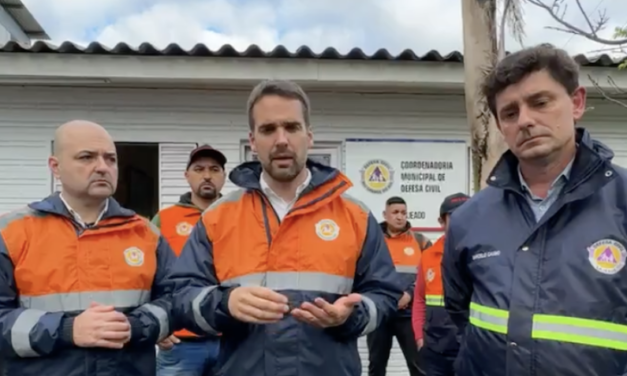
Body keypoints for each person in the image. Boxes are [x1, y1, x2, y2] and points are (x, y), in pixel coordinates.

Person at [167, 79, 404, 376]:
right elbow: (181, 297)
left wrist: (350, 316)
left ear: (309, 136)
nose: (281, 140)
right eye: (268, 129)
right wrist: (225, 303)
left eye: (291, 127)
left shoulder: (354, 215)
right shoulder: (219, 216)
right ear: (252, 140)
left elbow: (384, 294)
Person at [442, 43, 627, 376]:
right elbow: (460, 313)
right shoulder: (469, 219)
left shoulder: (622, 201)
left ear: (577, 102)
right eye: (510, 113)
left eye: (540, 103)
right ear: (501, 127)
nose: (525, 120)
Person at [0, 120, 175, 376]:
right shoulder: (11, 232)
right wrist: (66, 330)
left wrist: (135, 327)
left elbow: (175, 302)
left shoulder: (146, 233)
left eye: (110, 159)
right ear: (55, 167)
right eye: (87, 157)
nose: (102, 167)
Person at [153, 145, 227, 376]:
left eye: (214, 169)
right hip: (179, 343)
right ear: (187, 176)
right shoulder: (164, 219)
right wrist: (157, 325)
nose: (207, 175)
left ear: (223, 176)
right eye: (199, 169)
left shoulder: (238, 216)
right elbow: (147, 275)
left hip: (231, 340)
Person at [367, 196, 430, 376]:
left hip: (408, 315)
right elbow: (365, 273)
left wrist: (409, 294)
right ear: (385, 215)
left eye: (403, 213)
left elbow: (428, 275)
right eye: (395, 212)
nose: (400, 217)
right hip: (381, 314)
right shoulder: (373, 241)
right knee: (376, 366)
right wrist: (389, 298)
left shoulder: (421, 241)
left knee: (418, 366)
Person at [412, 193, 469, 376]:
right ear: (442, 221)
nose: (461, 220)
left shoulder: (484, 256)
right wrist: (420, 338)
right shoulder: (428, 256)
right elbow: (420, 299)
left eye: (466, 214)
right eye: (454, 216)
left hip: (470, 348)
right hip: (435, 350)